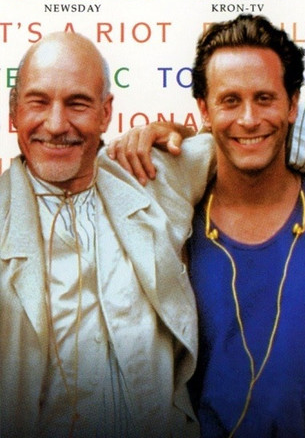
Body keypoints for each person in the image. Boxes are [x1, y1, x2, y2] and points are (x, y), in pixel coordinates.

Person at [1, 32, 214, 438]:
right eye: (38, 102)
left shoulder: (149, 175)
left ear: (105, 113)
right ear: (14, 113)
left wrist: (176, 132)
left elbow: (254, 136)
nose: (56, 124)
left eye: (77, 103)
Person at [185, 15, 305, 438]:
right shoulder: (177, 223)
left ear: (293, 104)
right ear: (204, 110)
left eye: (264, 98)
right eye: (230, 101)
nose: (249, 119)